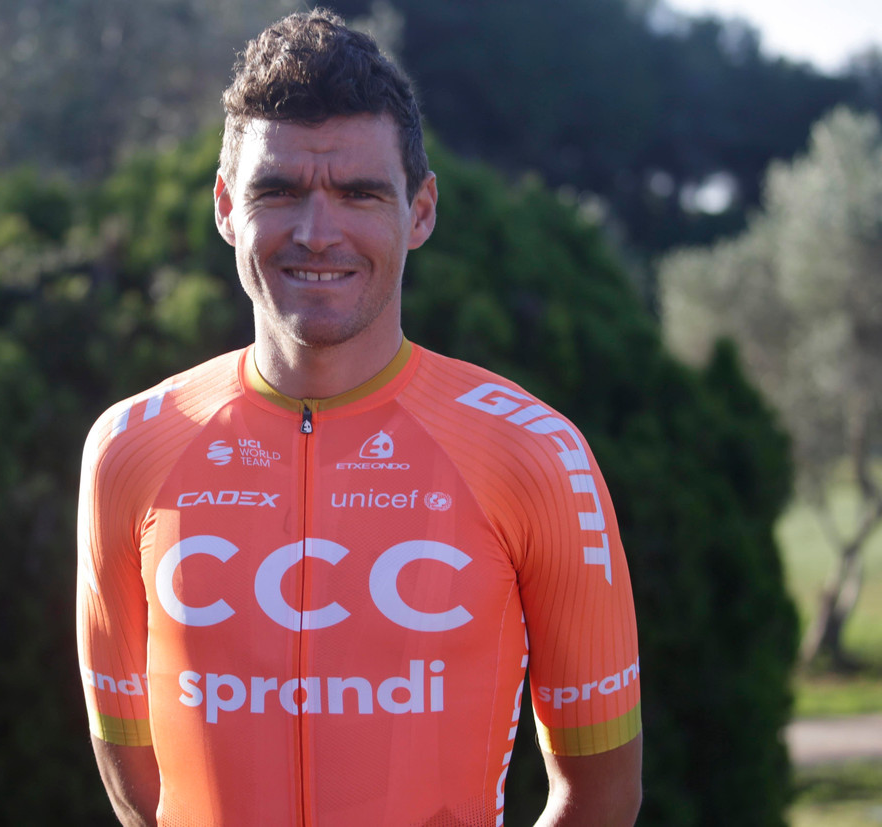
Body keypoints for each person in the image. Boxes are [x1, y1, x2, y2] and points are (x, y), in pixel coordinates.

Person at [76, 9, 642, 826]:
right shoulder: (130, 447)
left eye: (359, 193)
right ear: (227, 207)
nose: (317, 233)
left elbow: (602, 794)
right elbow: (137, 782)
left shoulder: (535, 453)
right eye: (278, 190)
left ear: (420, 211)